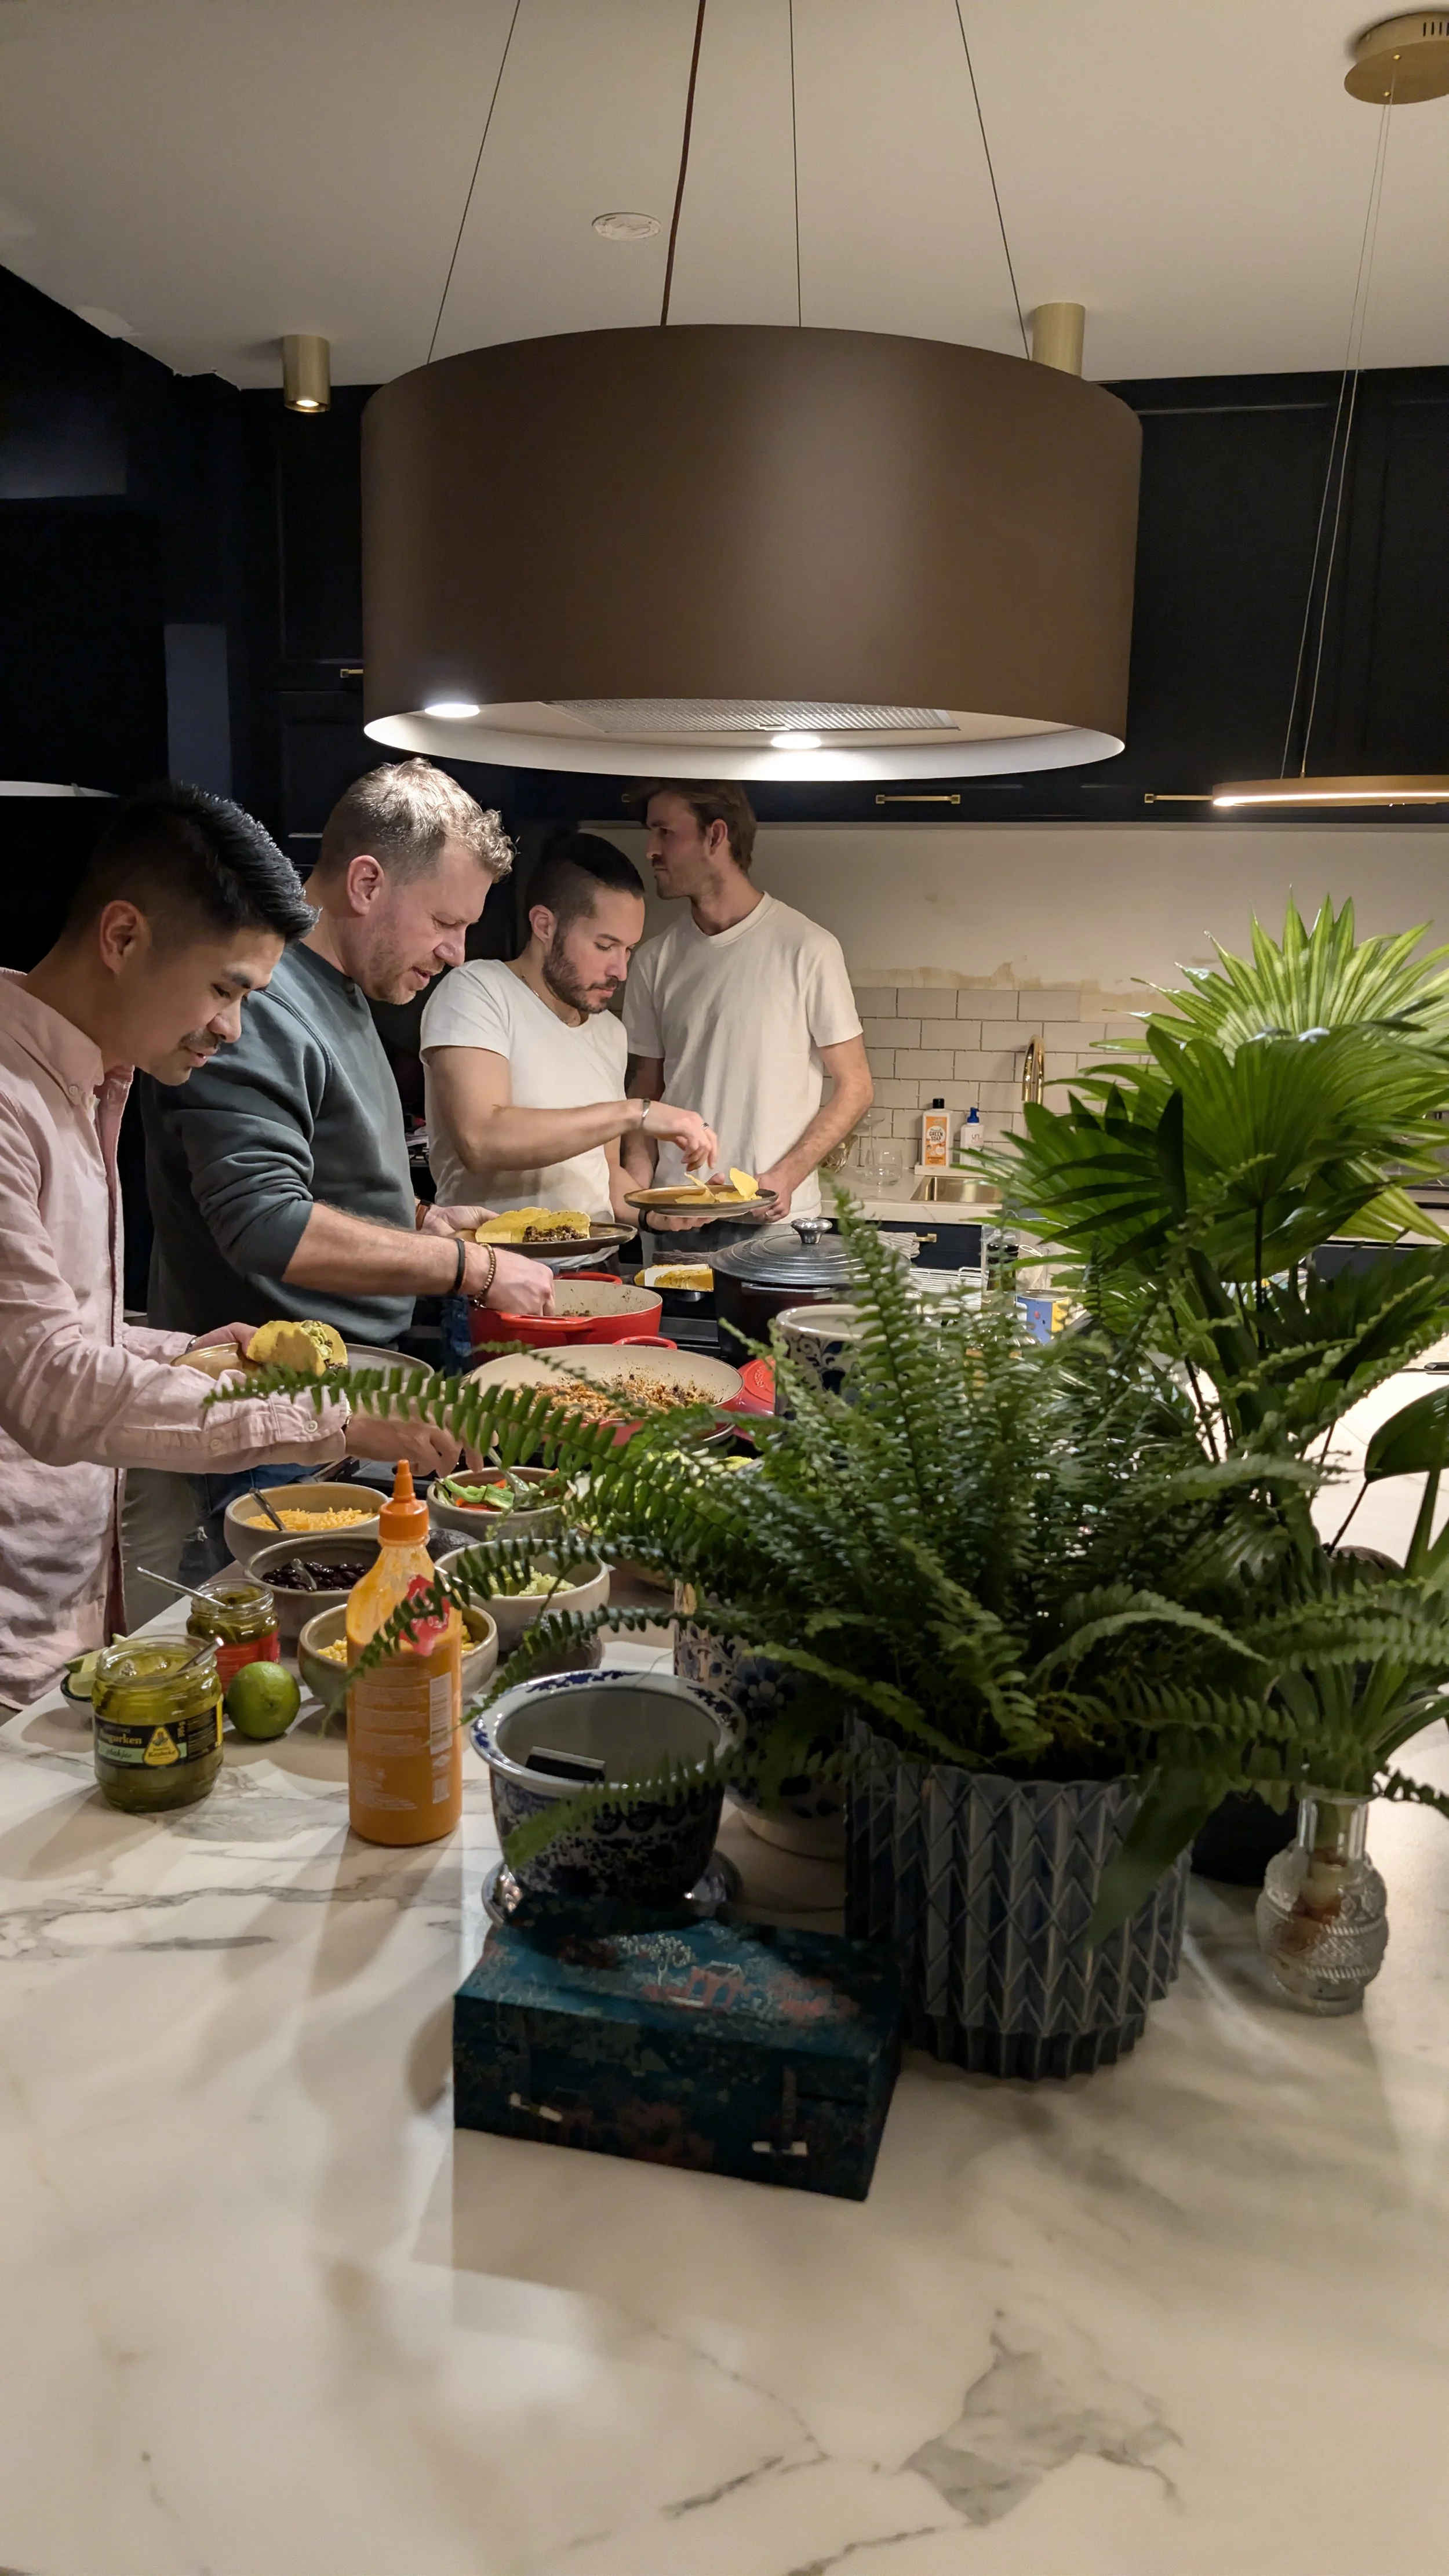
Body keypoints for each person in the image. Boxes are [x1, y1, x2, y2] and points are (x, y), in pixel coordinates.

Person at [0, 782, 458, 1711]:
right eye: (225, 989)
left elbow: (63, 1332)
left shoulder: (91, 1085)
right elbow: (46, 1385)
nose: (232, 1028)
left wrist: (199, 1351)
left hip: (66, 1609)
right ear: (123, 938)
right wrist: (335, 1414)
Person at [143, 757, 554, 1344]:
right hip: (263, 1393)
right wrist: (471, 1270)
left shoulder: (342, 987)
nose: (457, 952)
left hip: (347, 1378)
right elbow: (263, 1222)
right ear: (367, 884)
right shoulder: (257, 1002)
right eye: (443, 920)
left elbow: (323, 1171)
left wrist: (415, 1218)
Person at [420, 829, 717, 1223]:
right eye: (604, 946)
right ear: (544, 925)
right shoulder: (478, 991)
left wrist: (659, 1215)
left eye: (628, 949)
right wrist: (637, 1113)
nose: (621, 971)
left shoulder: (609, 1032)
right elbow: (482, 1139)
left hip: (596, 1268)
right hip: (494, 1271)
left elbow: (605, 1174)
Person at [621, 783, 873, 1218]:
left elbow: (856, 1088)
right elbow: (647, 1091)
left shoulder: (807, 948)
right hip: (680, 1216)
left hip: (775, 1220)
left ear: (716, 836)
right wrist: (640, 1204)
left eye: (665, 832)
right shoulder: (653, 960)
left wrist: (785, 1178)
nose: (650, 850)